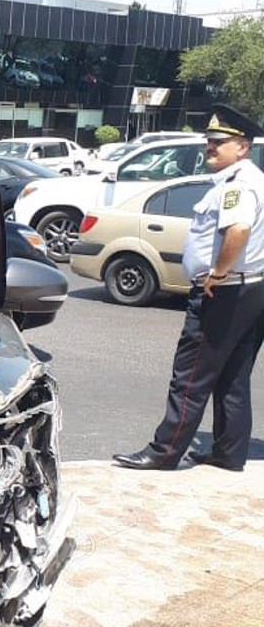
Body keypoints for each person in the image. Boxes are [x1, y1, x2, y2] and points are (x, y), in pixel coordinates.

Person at [113, 105, 264, 472]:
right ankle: (228, 453)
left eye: (217, 143)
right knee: (232, 377)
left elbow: (239, 230)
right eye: (209, 142)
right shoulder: (251, 179)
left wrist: (217, 272)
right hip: (250, 290)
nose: (209, 148)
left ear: (242, 147)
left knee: (190, 376)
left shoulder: (238, 186)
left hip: (225, 291)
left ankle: (164, 452)